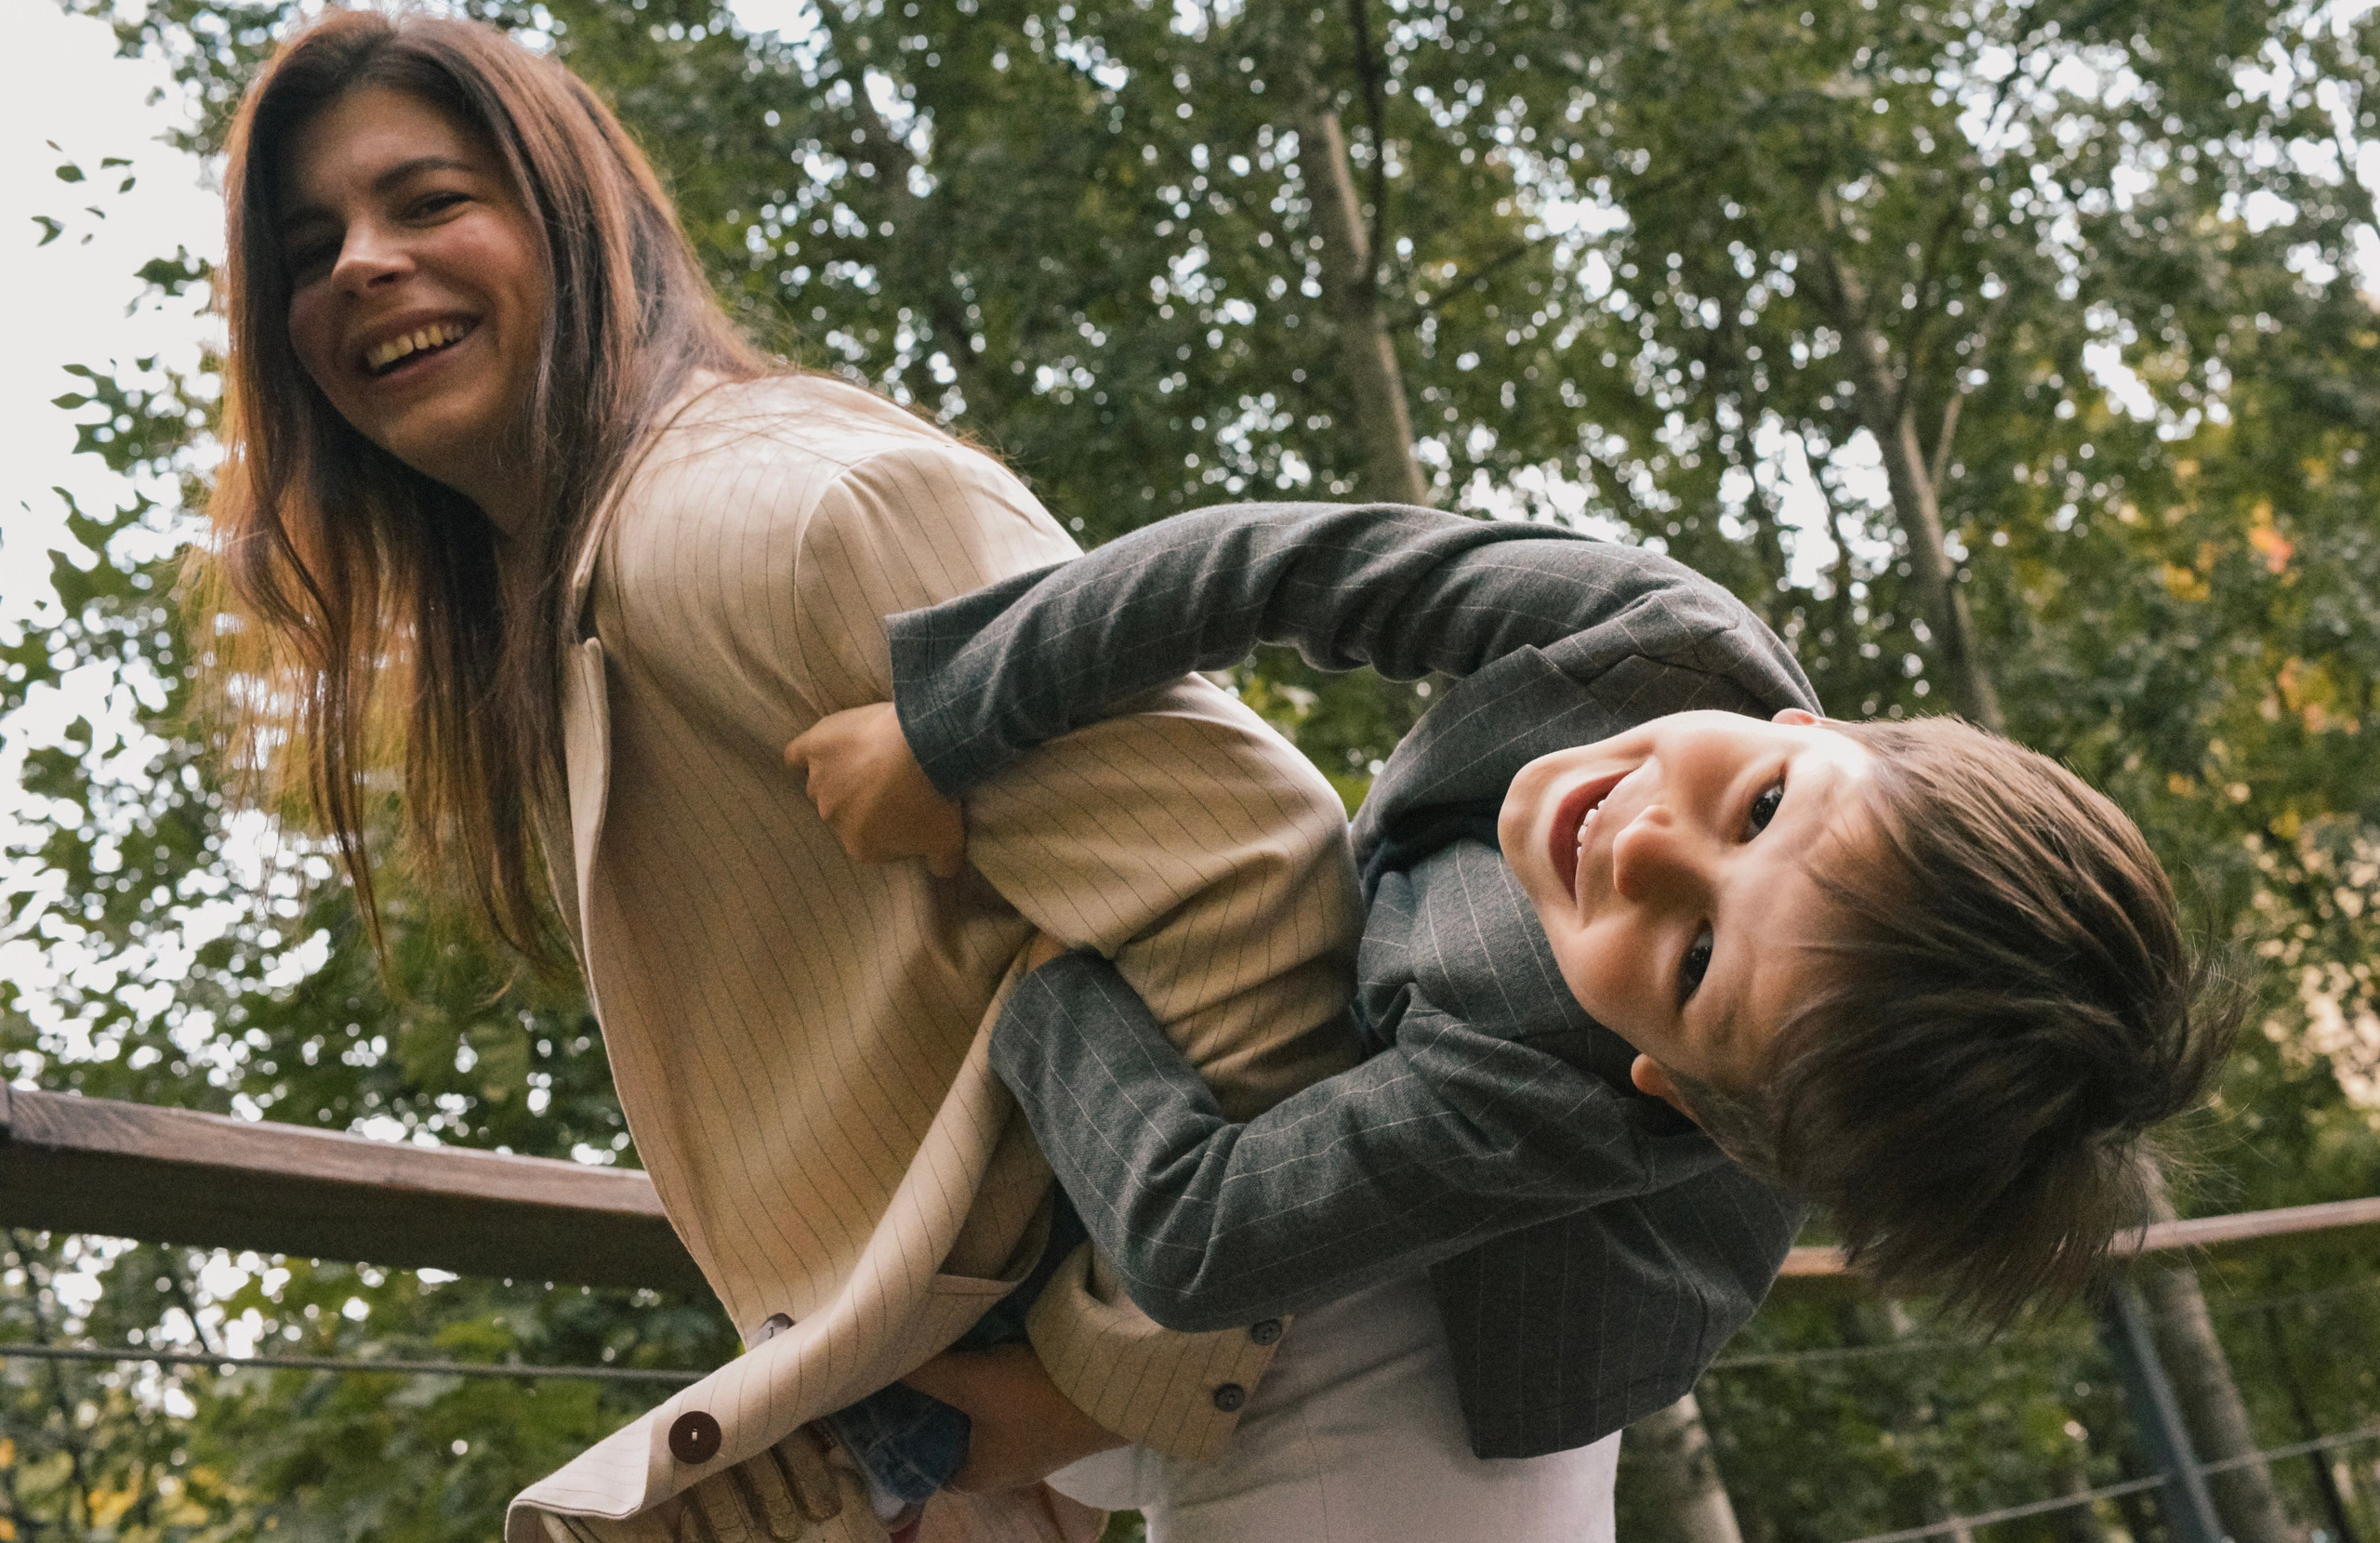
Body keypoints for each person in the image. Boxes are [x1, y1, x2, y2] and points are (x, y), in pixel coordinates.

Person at [192, 7, 1698, 1543]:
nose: (362, 264)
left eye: (432, 199)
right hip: (1286, 1357)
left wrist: (1093, 1385)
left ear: (578, 226)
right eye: (309, 249)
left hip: (1348, 1349)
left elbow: (1256, 891)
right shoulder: (606, 594)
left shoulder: (762, 518)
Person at [787, 503, 2239, 1464]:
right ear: (1816, 721)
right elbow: (1273, 562)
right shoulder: (1668, 636)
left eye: (1696, 954)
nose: (1652, 841)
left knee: (1332, 1329)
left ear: (1663, 1076)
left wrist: (1039, 967)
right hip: (1461, 969)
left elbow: (1197, 1231)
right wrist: (955, 719)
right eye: (1761, 810)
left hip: (1575, 1288)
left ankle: (1050, 1417)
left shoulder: (1552, 1097)